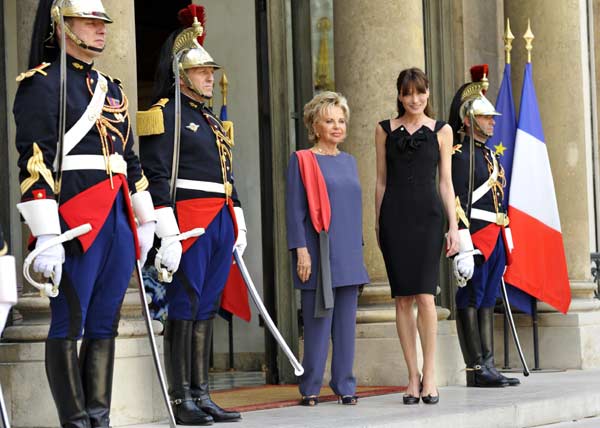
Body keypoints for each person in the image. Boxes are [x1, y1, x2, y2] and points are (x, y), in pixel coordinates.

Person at [13, 1, 156, 426]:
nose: (100, 30)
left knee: (104, 323)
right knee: (68, 323)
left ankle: (99, 418)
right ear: (61, 24)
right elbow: (34, 162)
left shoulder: (111, 88)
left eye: (102, 22)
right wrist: (47, 234)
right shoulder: (42, 83)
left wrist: (146, 219)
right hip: (75, 219)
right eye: (89, 22)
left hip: (115, 217)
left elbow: (129, 158)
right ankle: (74, 422)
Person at [138, 5, 244, 425]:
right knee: (185, 304)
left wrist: (239, 216)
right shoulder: (165, 113)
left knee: (207, 306)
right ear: (181, 74)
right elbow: (157, 172)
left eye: (211, 71)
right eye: (202, 72)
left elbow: (227, 174)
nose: (209, 77)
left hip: (218, 218)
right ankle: (181, 398)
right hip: (189, 218)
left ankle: (203, 393)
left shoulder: (210, 120)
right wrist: (166, 226)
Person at [375, 68, 459, 405]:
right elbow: (380, 181)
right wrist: (378, 224)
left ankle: (431, 376)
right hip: (395, 217)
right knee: (402, 299)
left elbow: (446, 182)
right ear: (399, 95)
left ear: (427, 93)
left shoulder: (442, 130)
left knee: (425, 296)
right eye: (408, 93)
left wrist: (453, 226)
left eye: (420, 92)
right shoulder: (383, 130)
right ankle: (412, 376)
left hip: (429, 219)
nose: (414, 99)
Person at [286, 91, 369, 407]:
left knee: (346, 325)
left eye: (341, 120)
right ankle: (310, 387)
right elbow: (295, 211)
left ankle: (345, 384)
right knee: (318, 320)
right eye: (329, 120)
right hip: (318, 252)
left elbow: (352, 209)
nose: (337, 126)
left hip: (348, 251)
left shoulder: (350, 162)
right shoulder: (302, 160)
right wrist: (300, 250)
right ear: (314, 125)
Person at [448, 65, 520, 388]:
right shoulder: (460, 156)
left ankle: (489, 365)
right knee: (471, 298)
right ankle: (475, 369)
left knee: (488, 300)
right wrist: (463, 244)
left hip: (496, 238)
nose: (492, 122)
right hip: (476, 239)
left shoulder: (490, 156)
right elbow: (457, 201)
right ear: (468, 119)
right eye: (486, 117)